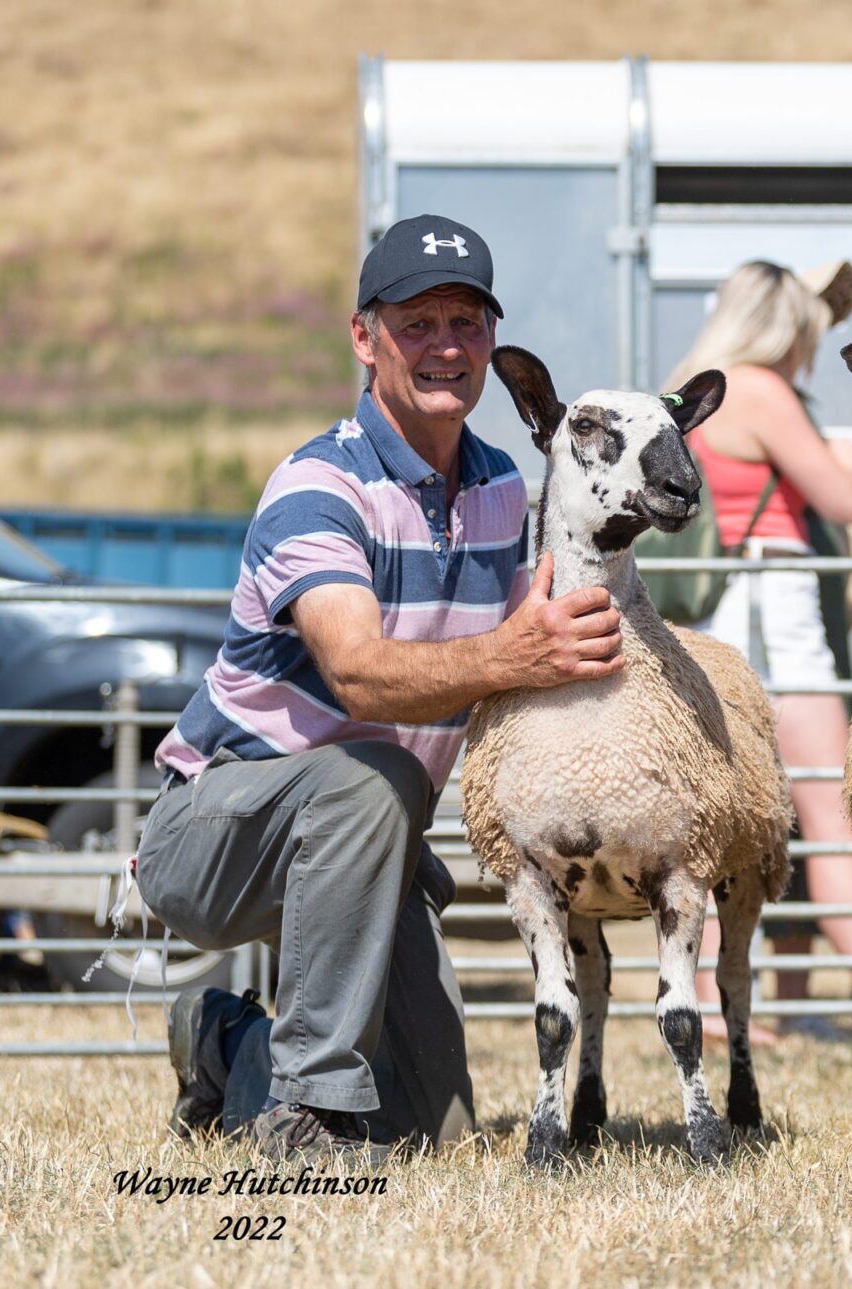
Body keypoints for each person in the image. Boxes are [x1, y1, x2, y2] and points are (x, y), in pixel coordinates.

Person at [141, 215, 625, 1160]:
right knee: (374, 777)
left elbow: (551, 649)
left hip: (370, 847)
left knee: (432, 1134)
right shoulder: (317, 486)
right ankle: (304, 1112)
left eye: (467, 320)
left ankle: (227, 1039)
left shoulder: (506, 494)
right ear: (364, 338)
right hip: (213, 829)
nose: (445, 345)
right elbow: (357, 673)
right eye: (416, 322)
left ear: (491, 339)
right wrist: (514, 656)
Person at [666, 259, 852, 1044]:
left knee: (715, 817)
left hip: (722, 615)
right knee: (829, 809)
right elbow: (839, 499)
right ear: (787, 327)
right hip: (773, 612)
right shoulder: (760, 388)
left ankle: (707, 1003)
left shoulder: (706, 386)